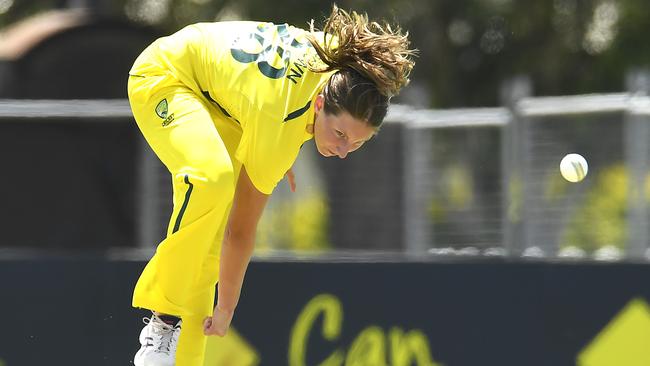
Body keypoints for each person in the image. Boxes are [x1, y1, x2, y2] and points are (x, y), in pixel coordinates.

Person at [127, 4, 415, 365]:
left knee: (207, 240)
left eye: (357, 143)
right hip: (166, 77)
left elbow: (278, 98)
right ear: (320, 102)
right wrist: (226, 308)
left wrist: (293, 142)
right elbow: (242, 232)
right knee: (211, 180)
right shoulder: (276, 126)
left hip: (225, 105)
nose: (343, 151)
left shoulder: (340, 66)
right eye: (339, 134)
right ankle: (163, 320)